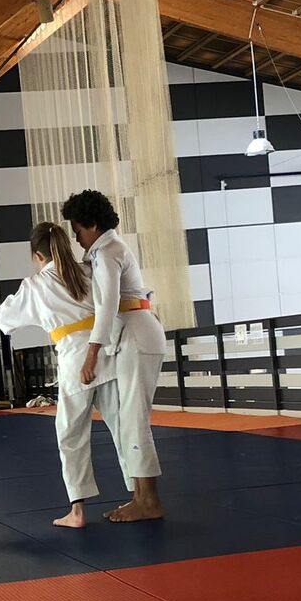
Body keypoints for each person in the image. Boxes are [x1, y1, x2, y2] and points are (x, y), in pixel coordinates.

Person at [0, 222, 113, 528]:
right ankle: (141, 496)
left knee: (71, 436)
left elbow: (4, 319)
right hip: (109, 352)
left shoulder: (36, 285)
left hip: (75, 360)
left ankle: (78, 511)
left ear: (38, 256)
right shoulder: (88, 271)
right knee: (124, 429)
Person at [62, 189, 169, 522]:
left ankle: (148, 501)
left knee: (134, 418)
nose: (76, 237)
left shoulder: (108, 252)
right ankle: (140, 498)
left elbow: (107, 305)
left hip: (137, 334)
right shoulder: (105, 251)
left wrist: (91, 354)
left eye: (78, 229)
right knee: (129, 418)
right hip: (135, 333)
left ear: (92, 225)